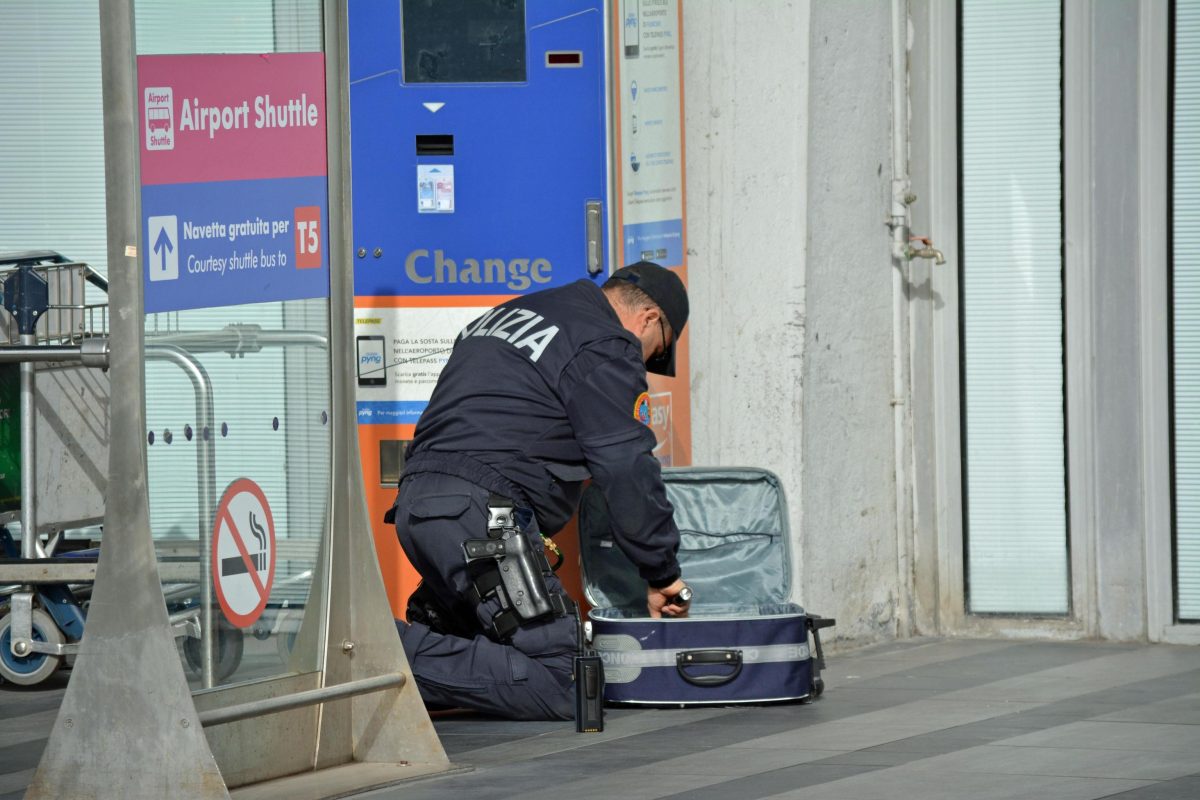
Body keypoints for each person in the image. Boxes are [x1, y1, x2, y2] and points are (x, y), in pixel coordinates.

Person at [390, 261, 692, 721]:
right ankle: (372, 655)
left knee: (489, 656)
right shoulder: (605, 341)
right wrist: (661, 570)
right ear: (650, 318)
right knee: (564, 679)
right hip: (482, 517)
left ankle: (388, 662)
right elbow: (625, 465)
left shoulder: (514, 313)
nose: (645, 362)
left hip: (420, 506)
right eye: (655, 353)